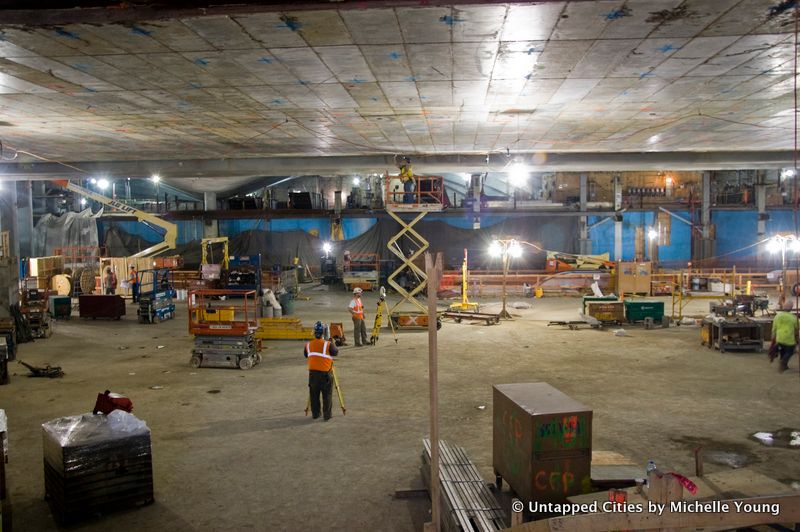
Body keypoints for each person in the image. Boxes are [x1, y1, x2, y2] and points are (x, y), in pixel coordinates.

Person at [304, 321, 339, 421]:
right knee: (327, 395)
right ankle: (327, 415)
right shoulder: (328, 345)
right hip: (325, 375)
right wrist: (332, 342)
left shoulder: (308, 345)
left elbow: (306, 355)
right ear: (324, 332)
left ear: (314, 332)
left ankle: (315, 414)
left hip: (313, 375)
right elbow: (336, 352)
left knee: (314, 395)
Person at [770, 300, 799, 373]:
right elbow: (797, 327)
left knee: (783, 351)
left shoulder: (777, 316)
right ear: (791, 308)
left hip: (779, 338)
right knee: (790, 351)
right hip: (789, 339)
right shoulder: (793, 318)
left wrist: (773, 337)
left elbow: (774, 328)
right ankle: (783, 362)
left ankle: (784, 365)